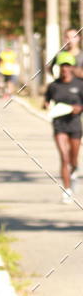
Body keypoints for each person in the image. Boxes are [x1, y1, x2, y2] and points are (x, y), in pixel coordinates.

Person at [43, 52, 83, 203]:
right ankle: (66, 190)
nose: (65, 69)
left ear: (72, 67)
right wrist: (47, 106)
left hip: (75, 125)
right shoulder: (54, 86)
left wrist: (79, 108)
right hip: (59, 124)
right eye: (62, 66)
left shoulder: (79, 84)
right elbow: (46, 102)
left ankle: (75, 171)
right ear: (58, 67)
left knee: (73, 159)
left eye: (67, 66)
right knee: (64, 158)